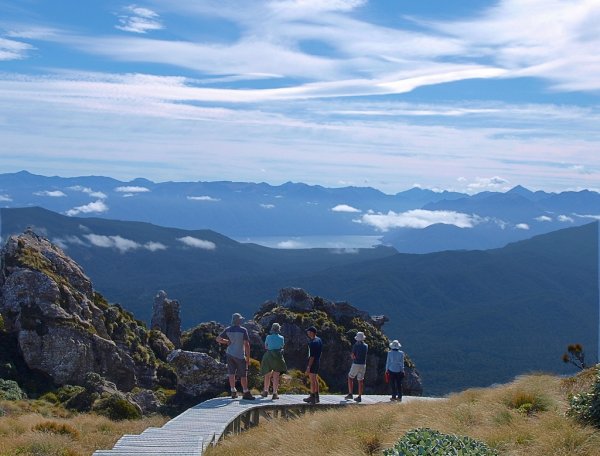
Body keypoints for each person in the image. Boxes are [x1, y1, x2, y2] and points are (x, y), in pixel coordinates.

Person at [216, 313, 255, 400]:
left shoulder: (228, 329)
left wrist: (227, 342)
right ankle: (245, 392)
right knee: (243, 375)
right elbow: (247, 344)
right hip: (240, 355)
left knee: (231, 373)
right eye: (240, 319)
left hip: (230, 354)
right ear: (239, 321)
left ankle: (233, 391)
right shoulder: (243, 330)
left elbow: (218, 339)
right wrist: (248, 358)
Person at [260, 322, 287, 400]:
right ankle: (275, 393)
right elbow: (282, 346)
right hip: (278, 357)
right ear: (279, 329)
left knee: (267, 375)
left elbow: (266, 346)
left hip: (268, 356)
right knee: (276, 376)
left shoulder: (268, 337)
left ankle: (265, 391)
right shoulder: (281, 338)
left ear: (272, 329)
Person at [345, 331, 368, 403]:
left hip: (356, 364)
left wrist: (352, 356)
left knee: (350, 377)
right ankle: (359, 396)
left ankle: (350, 393)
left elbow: (353, 355)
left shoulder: (355, 345)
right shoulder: (366, 346)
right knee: (360, 380)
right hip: (363, 364)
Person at [303, 326, 322, 404]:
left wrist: (308, 366)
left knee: (312, 380)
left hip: (313, 362)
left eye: (308, 332)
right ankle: (316, 396)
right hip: (317, 361)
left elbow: (312, 356)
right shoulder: (319, 340)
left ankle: (312, 397)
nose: (307, 333)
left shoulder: (313, 343)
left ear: (312, 333)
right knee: (315, 379)